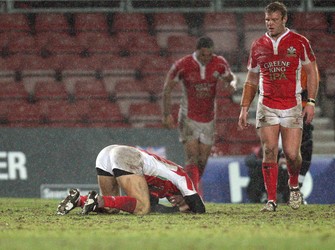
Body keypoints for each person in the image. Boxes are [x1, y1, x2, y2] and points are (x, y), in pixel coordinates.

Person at [238, 1, 319, 212]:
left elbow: (312, 72)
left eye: (274, 20)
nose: (270, 24)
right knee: (270, 149)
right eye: (267, 20)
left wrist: (310, 102)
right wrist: (245, 106)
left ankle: (293, 186)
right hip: (266, 105)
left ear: (284, 19)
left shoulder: (299, 42)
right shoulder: (257, 45)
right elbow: (252, 76)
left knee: (292, 154)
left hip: (292, 104)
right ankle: (271, 200)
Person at [162, 36, 236, 194]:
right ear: (197, 51)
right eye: (203, 55)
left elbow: (231, 79)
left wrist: (231, 85)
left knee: (202, 161)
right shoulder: (183, 65)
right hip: (189, 117)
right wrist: (167, 114)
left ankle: (184, 189)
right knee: (192, 158)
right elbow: (167, 88)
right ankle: (193, 194)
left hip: (209, 118)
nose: (207, 58)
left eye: (210, 55)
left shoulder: (219, 63)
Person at [56, 144, 206, 215]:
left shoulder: (164, 189)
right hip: (126, 156)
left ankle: (79, 200)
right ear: (187, 196)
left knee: (111, 208)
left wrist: (176, 209)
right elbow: (199, 207)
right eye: (185, 202)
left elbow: (153, 206)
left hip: (107, 153)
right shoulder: (182, 178)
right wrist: (183, 209)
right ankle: (98, 200)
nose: (175, 201)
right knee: (142, 209)